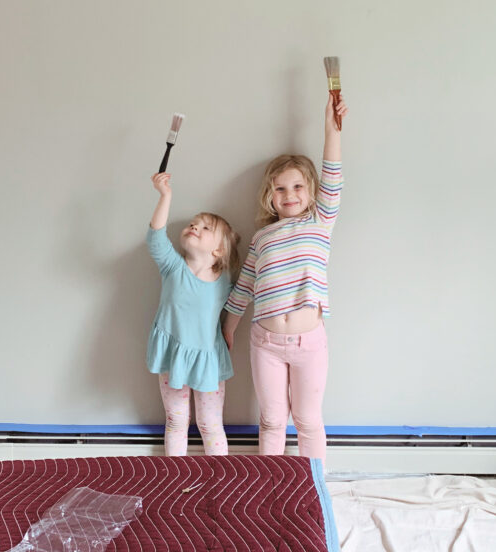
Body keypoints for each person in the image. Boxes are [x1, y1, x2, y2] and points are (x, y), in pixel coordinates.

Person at [222, 92, 348, 460]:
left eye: (297, 187)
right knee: (273, 421)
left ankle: (314, 486)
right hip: (266, 343)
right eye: (280, 188)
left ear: (310, 193)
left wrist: (332, 126)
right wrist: (229, 327)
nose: (289, 194)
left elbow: (333, 175)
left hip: (309, 343)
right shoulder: (262, 238)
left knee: (307, 420)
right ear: (269, 195)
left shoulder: (320, 223)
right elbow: (244, 287)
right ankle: (272, 486)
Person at [146, 172, 240, 456]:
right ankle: (177, 479)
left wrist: (230, 330)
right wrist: (166, 196)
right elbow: (155, 238)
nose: (195, 227)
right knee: (176, 420)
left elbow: (242, 299)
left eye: (205, 228)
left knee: (209, 423)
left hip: (208, 359)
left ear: (219, 250)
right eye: (192, 224)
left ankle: (218, 478)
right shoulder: (173, 267)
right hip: (172, 355)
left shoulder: (224, 280)